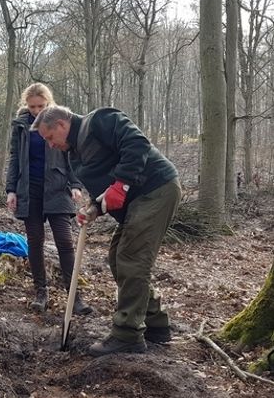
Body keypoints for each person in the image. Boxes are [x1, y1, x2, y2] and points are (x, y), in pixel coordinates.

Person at [32, 105, 181, 357]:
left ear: (61, 125)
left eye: (49, 137)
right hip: (136, 201)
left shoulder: (101, 120)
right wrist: (93, 209)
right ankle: (155, 323)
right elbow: (107, 190)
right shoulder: (75, 155)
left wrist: (121, 184)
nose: (50, 145)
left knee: (132, 258)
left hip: (156, 189)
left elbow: (137, 144)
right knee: (117, 258)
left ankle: (127, 334)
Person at [5, 83, 93, 315]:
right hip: (29, 189)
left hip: (57, 187)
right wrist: (11, 189)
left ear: (48, 103)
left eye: (41, 106)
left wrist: (75, 184)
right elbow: (14, 158)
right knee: (35, 242)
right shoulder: (20, 126)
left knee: (64, 241)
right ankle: (40, 293)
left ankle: (74, 297)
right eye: (32, 106)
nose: (36, 110)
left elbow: (71, 153)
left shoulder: (61, 121)